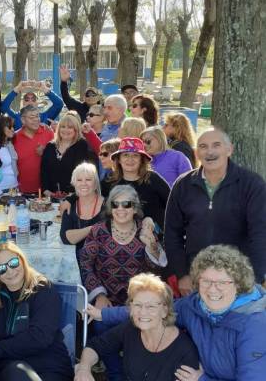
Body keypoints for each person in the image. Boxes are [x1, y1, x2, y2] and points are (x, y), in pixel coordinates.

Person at [96, 245, 266, 381]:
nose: (213, 289)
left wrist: (203, 379)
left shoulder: (253, 324)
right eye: (205, 281)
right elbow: (152, 309)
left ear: (238, 284)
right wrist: (104, 315)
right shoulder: (194, 306)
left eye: (222, 282)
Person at [164, 128, 266, 294]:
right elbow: (171, 234)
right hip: (195, 278)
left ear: (229, 149)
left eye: (216, 145)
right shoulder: (183, 185)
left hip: (238, 277)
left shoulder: (252, 184)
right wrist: (182, 274)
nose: (209, 151)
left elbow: (260, 234)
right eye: (203, 146)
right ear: (197, 153)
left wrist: (255, 279)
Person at [0, 242, 74, 381]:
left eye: (14, 262)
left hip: (50, 366)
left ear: (22, 260)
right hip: (11, 369)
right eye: (1, 268)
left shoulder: (43, 290)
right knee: (17, 372)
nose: (10, 271)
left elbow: (40, 337)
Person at [75, 273, 199, 381]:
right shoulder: (131, 328)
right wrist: (83, 369)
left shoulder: (185, 350)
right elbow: (96, 346)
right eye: (138, 305)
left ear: (164, 311)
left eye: (151, 306)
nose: (143, 312)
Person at [80, 185, 166, 309]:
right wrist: (99, 295)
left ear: (135, 208)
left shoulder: (145, 230)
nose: (120, 209)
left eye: (126, 204)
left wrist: (151, 245)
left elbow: (155, 271)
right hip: (106, 302)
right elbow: (85, 264)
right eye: (115, 204)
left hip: (139, 302)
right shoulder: (98, 231)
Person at [102, 137, 170, 230]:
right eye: (125, 155)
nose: (130, 159)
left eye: (135, 155)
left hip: (152, 234)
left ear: (142, 160)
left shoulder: (153, 178)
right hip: (118, 234)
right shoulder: (109, 181)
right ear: (119, 160)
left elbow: (172, 203)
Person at [60, 163, 105, 264]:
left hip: (102, 262)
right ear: (74, 183)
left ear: (96, 183)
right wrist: (92, 229)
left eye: (88, 180)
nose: (83, 183)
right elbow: (66, 238)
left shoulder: (107, 206)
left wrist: (77, 234)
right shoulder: (70, 205)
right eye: (79, 180)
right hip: (76, 263)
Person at [41, 114, 96, 195]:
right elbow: (44, 171)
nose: (65, 130)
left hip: (75, 195)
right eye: (63, 127)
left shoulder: (82, 145)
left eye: (70, 127)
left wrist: (72, 195)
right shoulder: (50, 146)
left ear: (76, 130)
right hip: (51, 195)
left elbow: (84, 172)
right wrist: (46, 190)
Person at [12, 105, 55, 194]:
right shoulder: (14, 137)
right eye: (32, 117)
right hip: (22, 190)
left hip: (47, 190)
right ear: (23, 120)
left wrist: (46, 152)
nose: (36, 119)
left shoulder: (48, 132)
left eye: (37, 116)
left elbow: (59, 157)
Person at [0, 115, 19, 195]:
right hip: (1, 190)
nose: (13, 129)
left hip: (14, 187)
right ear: (0, 128)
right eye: (9, 127)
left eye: (13, 127)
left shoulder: (9, 144)